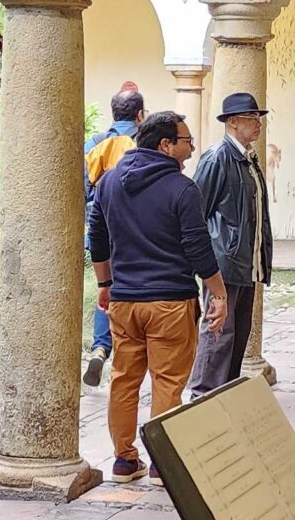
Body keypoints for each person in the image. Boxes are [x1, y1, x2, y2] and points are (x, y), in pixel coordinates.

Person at [87, 112, 228, 482]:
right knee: (167, 382)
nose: (192, 147)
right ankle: (162, 463)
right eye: (186, 140)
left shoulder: (108, 182)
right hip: (170, 302)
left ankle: (124, 460)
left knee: (124, 378)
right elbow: (198, 248)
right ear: (165, 145)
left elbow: (97, 238)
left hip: (124, 300)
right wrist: (218, 292)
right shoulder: (182, 188)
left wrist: (105, 284)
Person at [189, 91, 271, 396]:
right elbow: (197, 213)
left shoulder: (247, 159)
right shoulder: (218, 158)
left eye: (259, 118)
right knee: (218, 333)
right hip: (225, 264)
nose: (258, 124)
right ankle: (202, 396)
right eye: (251, 118)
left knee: (237, 334)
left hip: (246, 264)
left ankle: (224, 395)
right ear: (233, 122)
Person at [81, 84, 144, 387]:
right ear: (141, 114)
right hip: (135, 230)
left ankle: (100, 346)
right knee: (131, 289)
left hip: (99, 228)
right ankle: (126, 350)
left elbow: (82, 191)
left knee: (105, 286)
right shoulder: (145, 145)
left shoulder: (93, 143)